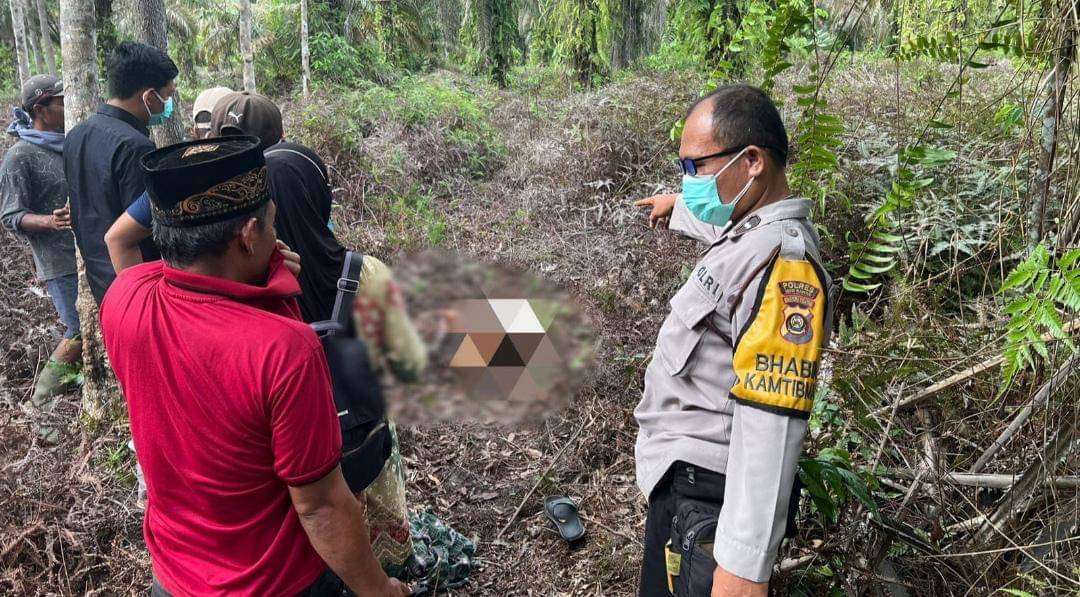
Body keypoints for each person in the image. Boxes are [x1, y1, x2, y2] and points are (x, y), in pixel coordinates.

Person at [100, 135, 410, 597]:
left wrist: (265, 280)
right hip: (274, 581)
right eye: (270, 224)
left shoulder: (124, 298)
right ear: (248, 235)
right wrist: (380, 590)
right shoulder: (287, 351)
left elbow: (201, 325)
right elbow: (322, 507)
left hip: (173, 574)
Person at [632, 85, 833, 596]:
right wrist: (678, 206)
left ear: (752, 162)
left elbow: (773, 422)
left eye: (696, 167)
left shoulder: (787, 268)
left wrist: (743, 567)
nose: (689, 180)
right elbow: (721, 233)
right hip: (684, 487)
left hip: (708, 502)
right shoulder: (749, 228)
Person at [65, 41, 179, 303]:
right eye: (168, 95)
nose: (169, 103)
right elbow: (143, 229)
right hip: (137, 283)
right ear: (149, 97)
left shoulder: (76, 135)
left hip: (101, 281)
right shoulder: (135, 147)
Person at [0, 74, 80, 430]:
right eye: (61, 102)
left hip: (88, 252)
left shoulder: (69, 144)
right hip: (58, 259)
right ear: (40, 109)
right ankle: (40, 404)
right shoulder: (20, 156)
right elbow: (10, 215)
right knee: (78, 327)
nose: (67, 107)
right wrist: (50, 221)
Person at [104, 85, 232, 272]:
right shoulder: (258, 173)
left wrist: (140, 288)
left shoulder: (173, 177)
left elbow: (117, 239)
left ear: (194, 131)